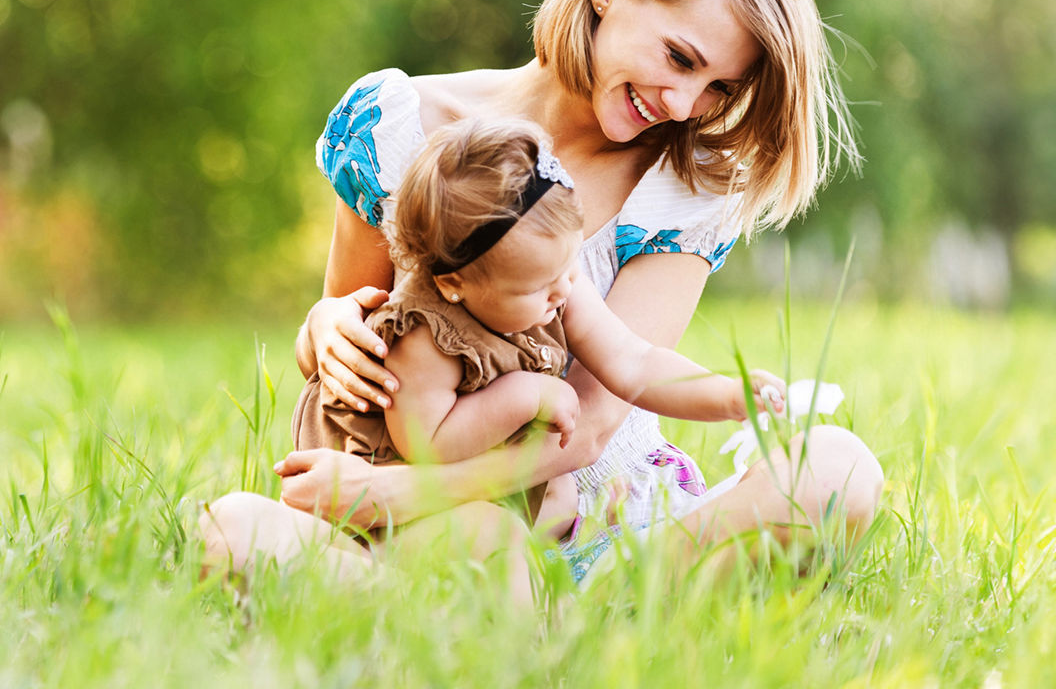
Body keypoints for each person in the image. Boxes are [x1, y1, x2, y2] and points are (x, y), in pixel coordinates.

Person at [202, 0, 883, 588]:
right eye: (679, 58)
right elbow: (353, 333)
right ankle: (485, 618)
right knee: (231, 531)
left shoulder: (684, 187)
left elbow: (589, 422)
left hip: (600, 530)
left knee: (837, 473)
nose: (684, 103)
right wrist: (328, 327)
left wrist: (407, 491)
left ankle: (530, 613)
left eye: (720, 87)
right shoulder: (396, 123)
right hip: (418, 528)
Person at [292, 116, 788, 540]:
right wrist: (522, 395)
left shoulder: (552, 283)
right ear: (452, 284)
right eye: (538, 286)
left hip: (467, 493)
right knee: (488, 536)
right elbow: (431, 446)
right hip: (389, 491)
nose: (561, 294)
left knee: (541, 511)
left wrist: (726, 396)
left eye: (565, 270)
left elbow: (634, 364)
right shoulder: (424, 336)